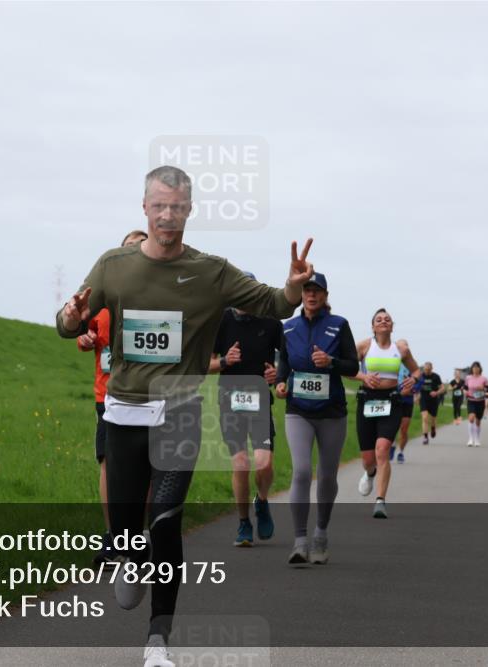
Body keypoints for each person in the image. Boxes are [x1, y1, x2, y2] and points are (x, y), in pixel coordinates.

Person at [57, 165, 314, 667]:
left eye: (177, 206)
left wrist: (290, 289)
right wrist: (69, 318)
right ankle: (128, 561)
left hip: (179, 413)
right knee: (130, 533)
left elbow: (268, 303)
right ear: (145, 208)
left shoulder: (210, 272)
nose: (168, 215)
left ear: (189, 211)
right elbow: (71, 322)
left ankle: (158, 642)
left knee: (166, 523)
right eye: (159, 205)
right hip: (125, 413)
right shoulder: (114, 266)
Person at [274, 272, 359, 565]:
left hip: (332, 412)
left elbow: (352, 365)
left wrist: (331, 362)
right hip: (298, 410)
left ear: (325, 295)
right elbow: (284, 361)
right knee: (300, 472)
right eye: (306, 290)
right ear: (300, 295)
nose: (311, 295)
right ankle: (299, 541)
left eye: (316, 291)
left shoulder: (339, 325)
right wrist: (281, 382)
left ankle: (321, 533)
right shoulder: (289, 327)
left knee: (326, 476)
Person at [78, 230, 148, 565]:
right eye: (127, 249)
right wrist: (86, 339)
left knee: (146, 469)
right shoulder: (104, 304)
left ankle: (140, 533)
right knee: (108, 465)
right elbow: (82, 331)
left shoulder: (155, 301)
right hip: (108, 396)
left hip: (149, 397)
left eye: (139, 247)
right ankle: (113, 537)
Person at [208, 278, 283, 547]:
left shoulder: (271, 321)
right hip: (229, 398)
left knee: (265, 462)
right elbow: (203, 363)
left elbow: (286, 356)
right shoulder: (221, 321)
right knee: (240, 462)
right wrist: (225, 361)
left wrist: (279, 374)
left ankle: (261, 501)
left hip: (260, 399)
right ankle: (243, 522)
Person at [354, 308, 419, 519]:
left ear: (392, 326)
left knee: (382, 449)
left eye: (387, 319)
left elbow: (416, 370)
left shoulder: (400, 349)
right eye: (379, 319)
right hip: (367, 400)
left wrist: (413, 380)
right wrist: (363, 377)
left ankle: (380, 501)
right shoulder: (364, 346)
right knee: (368, 458)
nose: (383, 321)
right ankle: (370, 473)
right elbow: (346, 368)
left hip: (391, 401)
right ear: (373, 326)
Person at [393, 363, 421, 464]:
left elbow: (419, 380)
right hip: (394, 399)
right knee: (391, 427)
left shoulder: (412, 366)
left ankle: (401, 452)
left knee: (404, 429)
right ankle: (392, 446)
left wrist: (412, 389)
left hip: (407, 402)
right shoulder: (393, 363)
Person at [418, 362, 444, 445]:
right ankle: (425, 437)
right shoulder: (420, 376)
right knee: (425, 418)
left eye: (428, 369)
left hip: (433, 400)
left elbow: (442, 388)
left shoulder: (436, 377)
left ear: (432, 368)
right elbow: (416, 387)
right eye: (425, 369)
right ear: (423, 369)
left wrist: (436, 392)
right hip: (423, 399)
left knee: (433, 419)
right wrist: (416, 396)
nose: (427, 371)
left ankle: (433, 428)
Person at [464, 361, 488, 446]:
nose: (475, 369)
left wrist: (483, 388)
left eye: (477, 367)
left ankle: (477, 439)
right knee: (471, 418)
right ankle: (470, 439)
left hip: (480, 401)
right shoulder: (468, 378)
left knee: (478, 421)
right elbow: (465, 387)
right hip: (471, 400)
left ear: (480, 369)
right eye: (474, 367)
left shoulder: (484, 379)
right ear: (472, 369)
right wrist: (465, 392)